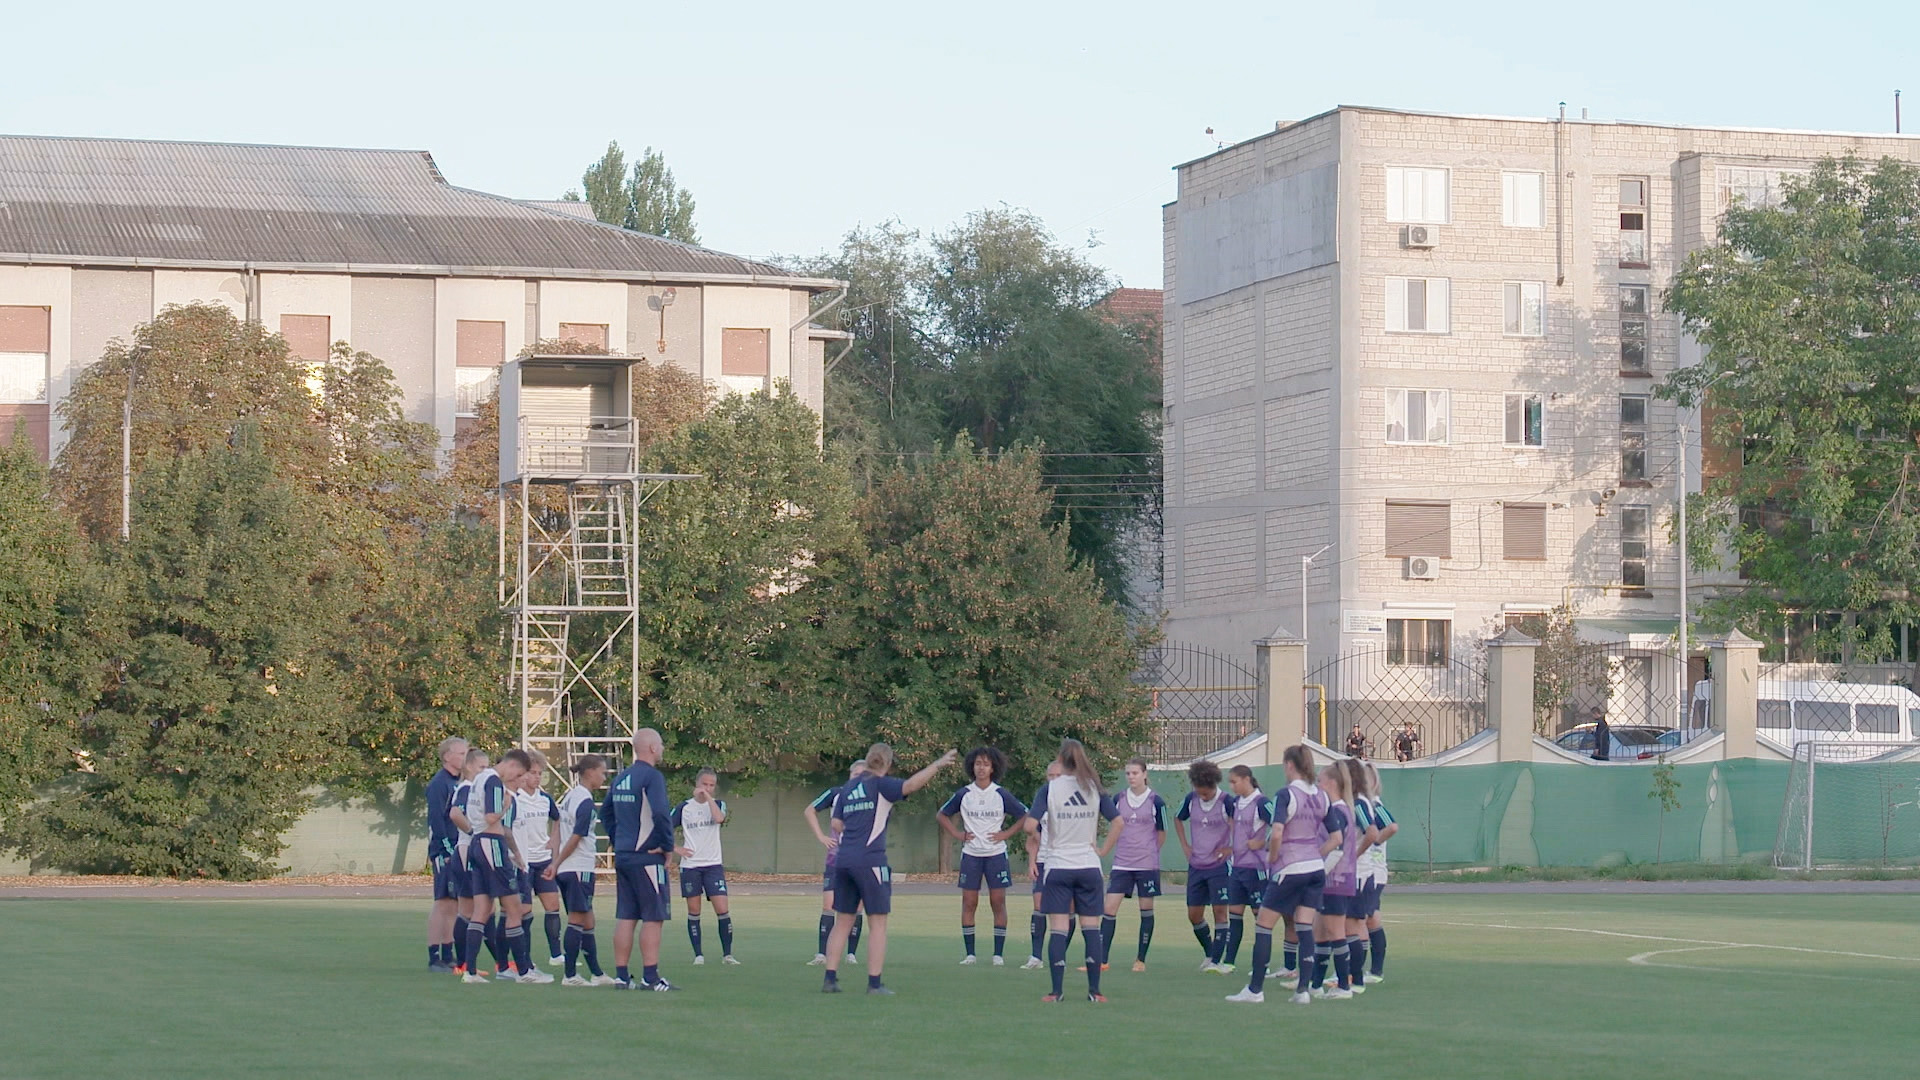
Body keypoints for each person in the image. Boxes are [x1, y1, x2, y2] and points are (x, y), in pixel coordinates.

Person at [822, 744, 959, 995]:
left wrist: (856, 827)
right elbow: (911, 785)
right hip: (870, 861)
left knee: (842, 921)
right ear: (887, 764)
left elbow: (836, 823)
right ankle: (874, 983)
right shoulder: (881, 785)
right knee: (878, 923)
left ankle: (830, 979)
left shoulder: (849, 787)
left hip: (843, 860)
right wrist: (937, 764)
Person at [1226, 743, 1336, 1005]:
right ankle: (1303, 991)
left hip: (1290, 868)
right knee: (1304, 926)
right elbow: (1337, 837)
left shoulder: (1286, 794)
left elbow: (1276, 833)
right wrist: (1315, 854)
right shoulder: (1322, 796)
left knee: (1264, 924)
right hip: (1315, 869)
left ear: (1289, 765)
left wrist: (1273, 856)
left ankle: (1255, 990)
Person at [1027, 738, 1123, 1003]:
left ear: (1060, 759)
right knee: (1091, 927)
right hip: (1089, 866)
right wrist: (1102, 850)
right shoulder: (1094, 787)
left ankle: (1056, 992)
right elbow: (1118, 822)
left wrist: (1040, 836)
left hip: (1059, 865)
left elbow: (1029, 825)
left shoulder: (1050, 789)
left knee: (1058, 928)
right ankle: (1095, 992)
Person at [457, 748, 551, 984]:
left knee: (481, 910)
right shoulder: (494, 782)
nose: (516, 779)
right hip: (491, 844)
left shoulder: (479, 778)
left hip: (477, 843)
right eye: (518, 774)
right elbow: (491, 818)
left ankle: (470, 972)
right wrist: (506, 806)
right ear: (512, 765)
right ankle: (523, 971)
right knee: (514, 908)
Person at [601, 728, 678, 991]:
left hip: (624, 856)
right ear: (653, 748)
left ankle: (622, 977)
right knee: (653, 917)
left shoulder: (621, 777)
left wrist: (619, 840)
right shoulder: (652, 777)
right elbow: (661, 813)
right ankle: (650, 977)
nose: (663, 748)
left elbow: (605, 814)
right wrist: (666, 846)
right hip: (646, 857)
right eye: (661, 744)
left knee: (627, 915)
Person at [937, 747, 1028, 966]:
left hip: (996, 854)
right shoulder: (964, 794)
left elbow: (1025, 815)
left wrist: (1006, 834)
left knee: (998, 902)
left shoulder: (1000, 794)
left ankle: (998, 955)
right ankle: (970, 954)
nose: (981, 768)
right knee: (969, 902)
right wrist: (958, 834)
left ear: (993, 768)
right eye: (978, 763)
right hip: (971, 855)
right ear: (972, 766)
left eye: (986, 764)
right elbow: (941, 815)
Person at [549, 754, 616, 986]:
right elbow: (576, 836)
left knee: (588, 920)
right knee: (577, 920)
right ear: (590, 772)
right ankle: (570, 975)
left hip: (569, 869)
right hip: (578, 867)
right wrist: (556, 863)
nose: (604, 777)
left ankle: (597, 973)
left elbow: (559, 830)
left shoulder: (571, 796)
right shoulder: (585, 801)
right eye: (602, 772)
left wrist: (556, 863)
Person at [1101, 757, 1167, 973]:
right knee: (1109, 908)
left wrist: (1149, 853)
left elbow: (1162, 833)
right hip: (1122, 864)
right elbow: (1113, 826)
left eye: (1135, 773)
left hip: (1146, 865)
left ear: (1145, 774)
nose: (1131, 777)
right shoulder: (1118, 799)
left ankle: (1140, 959)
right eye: (1128, 773)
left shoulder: (1156, 802)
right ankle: (1102, 960)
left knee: (1146, 909)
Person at [1309, 761, 1368, 999]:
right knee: (1320, 933)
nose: (1317, 786)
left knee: (1335, 933)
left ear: (1332, 783)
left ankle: (1344, 986)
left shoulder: (1338, 811)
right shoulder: (1335, 810)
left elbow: (1337, 849)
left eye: (1320, 781)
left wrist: (1317, 874)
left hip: (1336, 882)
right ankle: (1315, 985)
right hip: (1330, 883)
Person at [804, 761, 868, 966]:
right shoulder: (836, 794)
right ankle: (821, 954)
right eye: (855, 774)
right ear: (850, 775)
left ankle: (851, 954)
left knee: (856, 907)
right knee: (829, 905)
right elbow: (809, 810)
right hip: (836, 860)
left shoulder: (872, 799)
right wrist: (821, 836)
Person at [672, 767, 737, 967]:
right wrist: (676, 848)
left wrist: (708, 798)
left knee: (722, 909)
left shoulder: (718, 804)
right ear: (696, 784)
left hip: (713, 865)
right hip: (691, 866)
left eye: (711, 785)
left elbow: (719, 819)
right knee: (694, 910)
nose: (707, 788)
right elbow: (662, 828)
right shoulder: (684, 807)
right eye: (704, 784)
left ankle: (727, 955)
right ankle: (698, 955)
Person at [1173, 759, 1233, 972]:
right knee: (1194, 915)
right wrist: (1185, 845)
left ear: (1214, 785)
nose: (1203, 796)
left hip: (1220, 866)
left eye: (1206, 793)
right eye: (1199, 792)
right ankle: (1209, 952)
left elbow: (1241, 826)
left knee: (1220, 912)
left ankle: (1216, 960)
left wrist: (1231, 848)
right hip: (1197, 865)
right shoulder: (1191, 799)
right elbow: (1178, 819)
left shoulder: (1227, 802)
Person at [511, 751, 565, 969]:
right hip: (523, 863)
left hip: (543, 860)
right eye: (532, 772)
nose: (536, 777)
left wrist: (553, 841)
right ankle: (525, 958)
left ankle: (556, 954)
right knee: (524, 911)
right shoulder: (515, 798)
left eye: (539, 773)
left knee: (553, 905)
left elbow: (558, 819)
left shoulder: (545, 799)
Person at [1219, 764, 1272, 973]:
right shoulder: (1236, 803)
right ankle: (1228, 962)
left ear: (1246, 779)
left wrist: (1263, 843)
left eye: (1234, 782)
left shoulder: (1262, 803)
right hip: (1237, 867)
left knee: (1260, 917)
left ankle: (1262, 965)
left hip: (1256, 868)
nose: (1231, 786)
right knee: (1234, 914)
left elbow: (1281, 825)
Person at [425, 735, 468, 972]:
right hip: (445, 851)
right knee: (442, 903)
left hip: (457, 849)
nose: (464, 757)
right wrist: (447, 849)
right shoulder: (439, 783)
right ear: (447, 756)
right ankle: (434, 957)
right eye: (461, 753)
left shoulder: (460, 783)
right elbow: (436, 820)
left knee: (454, 904)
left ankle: (448, 954)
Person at [1022, 759, 1067, 970]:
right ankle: (1036, 956)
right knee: (1039, 906)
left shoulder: (1074, 802)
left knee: (1067, 910)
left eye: (1059, 776)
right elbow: (1032, 835)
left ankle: (1060, 954)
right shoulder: (1042, 802)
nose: (1055, 780)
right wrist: (1032, 861)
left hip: (1066, 862)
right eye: (1051, 776)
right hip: (1043, 861)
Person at [1361, 761, 1397, 984]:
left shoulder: (1373, 805)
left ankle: (1363, 971)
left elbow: (1391, 827)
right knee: (1371, 920)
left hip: (1374, 871)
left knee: (1363, 919)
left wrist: (1374, 842)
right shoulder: (1363, 805)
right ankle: (1373, 971)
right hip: (1369, 871)